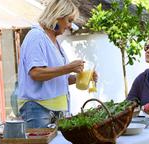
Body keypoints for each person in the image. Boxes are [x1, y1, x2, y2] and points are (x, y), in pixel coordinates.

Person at [17, 0, 97, 128]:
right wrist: (68, 68)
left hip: (58, 109)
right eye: (69, 20)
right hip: (39, 108)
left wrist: (81, 78)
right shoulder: (36, 36)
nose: (70, 26)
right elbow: (36, 73)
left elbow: (59, 78)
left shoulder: (55, 42)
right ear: (57, 16)